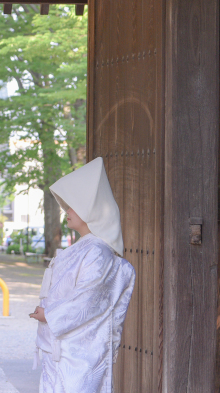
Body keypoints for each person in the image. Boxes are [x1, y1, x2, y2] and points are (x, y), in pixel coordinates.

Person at [29, 157, 135, 393]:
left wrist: (50, 315)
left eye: (73, 205)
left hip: (79, 353)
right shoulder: (84, 248)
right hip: (62, 348)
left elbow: (89, 301)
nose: (67, 210)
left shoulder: (98, 252)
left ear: (91, 209)